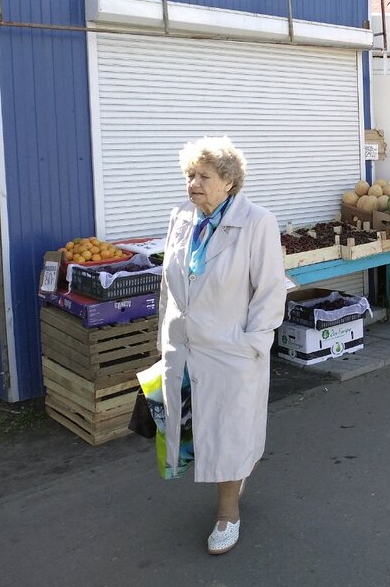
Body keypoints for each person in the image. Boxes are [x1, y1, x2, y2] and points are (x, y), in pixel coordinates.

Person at [157, 135, 286, 555]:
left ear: (229, 181)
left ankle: (227, 513)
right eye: (189, 175)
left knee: (229, 434)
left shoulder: (257, 222)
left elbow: (270, 290)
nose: (192, 184)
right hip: (185, 345)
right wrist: (163, 335)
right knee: (196, 428)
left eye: (203, 176)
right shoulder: (181, 216)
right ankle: (230, 481)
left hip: (231, 349)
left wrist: (254, 342)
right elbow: (168, 284)